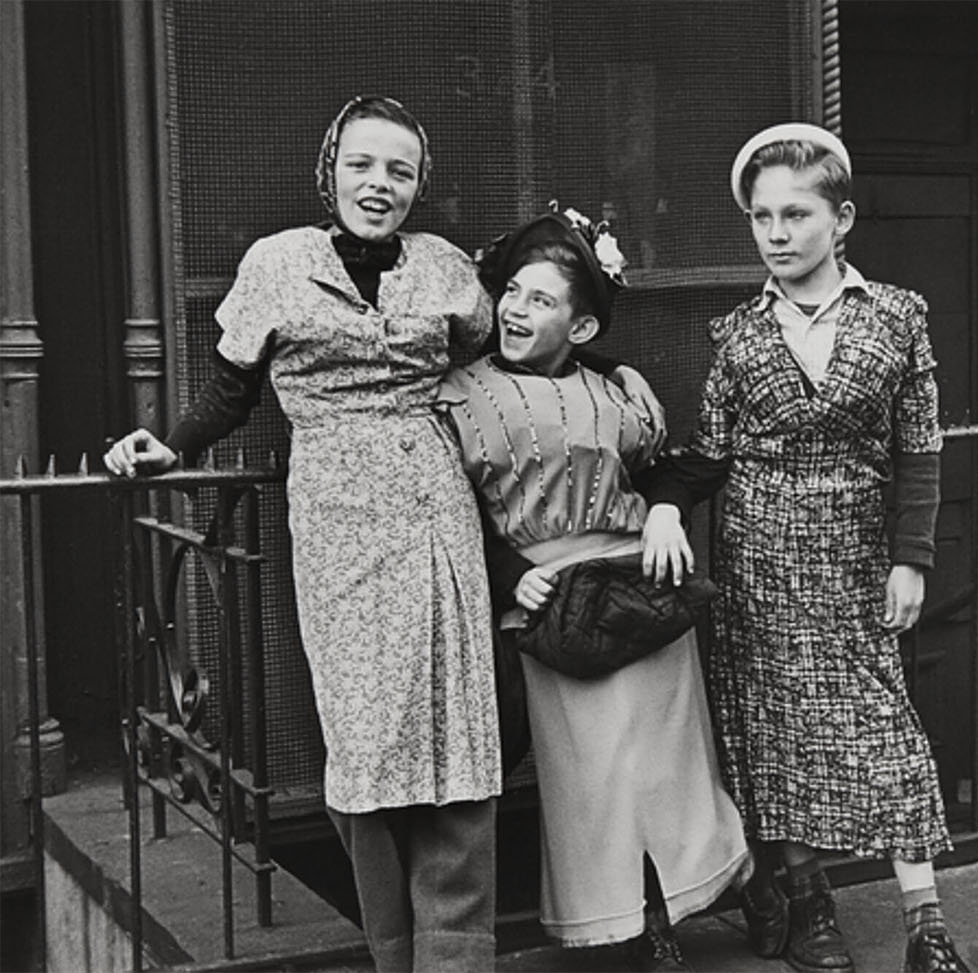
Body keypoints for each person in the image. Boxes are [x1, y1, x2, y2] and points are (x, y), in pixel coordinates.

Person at [101, 96, 658, 972]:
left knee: (459, 737)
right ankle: (393, 950)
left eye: (399, 171)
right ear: (330, 171)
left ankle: (457, 954)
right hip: (338, 524)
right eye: (362, 164)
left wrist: (601, 382)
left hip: (441, 515)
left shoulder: (442, 270)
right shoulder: (277, 264)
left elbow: (509, 348)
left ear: (417, 186)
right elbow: (230, 389)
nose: (380, 184)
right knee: (367, 744)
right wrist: (168, 444)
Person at [640, 123, 969, 973]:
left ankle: (925, 924)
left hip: (858, 561)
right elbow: (708, 456)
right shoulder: (737, 336)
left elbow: (920, 449)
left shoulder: (897, 316)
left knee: (884, 730)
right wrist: (669, 506)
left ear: (842, 217)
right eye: (761, 217)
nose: (777, 233)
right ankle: (808, 898)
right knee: (773, 732)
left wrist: (912, 557)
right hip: (759, 561)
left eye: (796, 213)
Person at [436, 205, 750, 972]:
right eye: (513, 292)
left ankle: (708, 896)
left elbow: (660, 468)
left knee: (673, 769)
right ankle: (626, 925)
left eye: (540, 301)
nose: (515, 309)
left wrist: (670, 506)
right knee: (594, 781)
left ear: (580, 327)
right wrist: (514, 576)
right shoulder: (458, 396)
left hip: (642, 588)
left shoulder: (620, 389)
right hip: (554, 608)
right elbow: (452, 517)